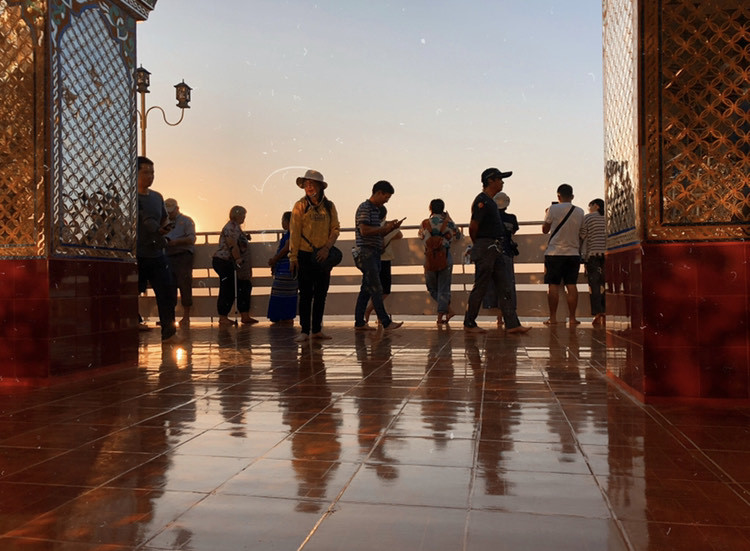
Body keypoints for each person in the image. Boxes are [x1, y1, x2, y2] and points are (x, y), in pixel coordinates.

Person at [464, 167, 530, 334]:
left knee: (504, 284)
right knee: (481, 285)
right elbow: (473, 227)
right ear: (490, 180)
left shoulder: (490, 201)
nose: (502, 182)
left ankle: (512, 323)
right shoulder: (483, 201)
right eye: (500, 179)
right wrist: (480, 244)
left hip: (496, 247)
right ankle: (469, 322)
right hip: (487, 247)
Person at [289, 169, 341, 343]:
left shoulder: (329, 206)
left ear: (320, 186)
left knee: (321, 293)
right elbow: (294, 232)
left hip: (323, 255)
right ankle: (305, 330)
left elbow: (335, 229)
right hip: (304, 254)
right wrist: (293, 257)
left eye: (312, 183)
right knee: (305, 294)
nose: (309, 187)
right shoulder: (300, 206)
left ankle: (317, 329)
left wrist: (327, 248)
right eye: (306, 184)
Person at [136, 156, 178, 343]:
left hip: (156, 254)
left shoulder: (157, 197)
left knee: (167, 292)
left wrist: (165, 229)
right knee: (132, 291)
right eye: (146, 172)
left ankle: (169, 334)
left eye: (152, 172)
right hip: (136, 254)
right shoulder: (128, 197)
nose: (150, 176)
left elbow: (164, 219)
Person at [353, 180, 404, 331]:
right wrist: (384, 229)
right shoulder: (365, 208)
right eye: (386, 197)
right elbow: (364, 231)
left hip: (374, 252)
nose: (386, 200)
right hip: (367, 252)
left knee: (366, 289)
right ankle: (386, 322)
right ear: (379, 193)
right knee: (376, 288)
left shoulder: (375, 210)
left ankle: (359, 322)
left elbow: (376, 233)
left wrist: (390, 228)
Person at [542, 183, 585, 326]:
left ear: (558, 196)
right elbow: (582, 232)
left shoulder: (553, 209)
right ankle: (572, 318)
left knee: (553, 285)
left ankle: (553, 318)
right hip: (573, 253)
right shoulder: (579, 211)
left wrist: (547, 213)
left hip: (554, 253)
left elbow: (544, 229)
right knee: (571, 285)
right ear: (572, 196)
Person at [418, 198, 462, 325]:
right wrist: (449, 219)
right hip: (445, 255)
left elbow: (420, 236)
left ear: (430, 208)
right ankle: (443, 314)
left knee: (431, 287)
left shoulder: (425, 223)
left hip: (430, 257)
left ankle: (445, 313)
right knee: (444, 287)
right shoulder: (448, 223)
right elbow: (458, 236)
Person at [212, 205, 255, 326]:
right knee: (227, 288)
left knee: (238, 285)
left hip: (226, 262)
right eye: (243, 215)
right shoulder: (231, 227)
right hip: (224, 261)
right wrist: (238, 259)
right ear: (237, 215)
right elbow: (232, 244)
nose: (244, 218)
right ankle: (223, 316)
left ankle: (240, 315)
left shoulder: (236, 228)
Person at [482, 191, 520, 326]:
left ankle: (497, 316)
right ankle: (504, 316)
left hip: (491, 253)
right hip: (506, 253)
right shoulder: (512, 218)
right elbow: (513, 231)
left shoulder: (489, 217)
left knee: (492, 283)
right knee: (507, 284)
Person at [365, 205, 403, 325]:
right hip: (385, 260)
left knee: (376, 289)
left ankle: (380, 317)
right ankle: (369, 310)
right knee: (385, 290)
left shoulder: (371, 227)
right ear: (385, 215)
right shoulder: (388, 227)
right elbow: (400, 235)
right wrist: (390, 229)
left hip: (372, 259)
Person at [164, 198, 196, 327]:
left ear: (177, 209)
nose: (169, 214)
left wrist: (176, 242)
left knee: (184, 284)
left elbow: (191, 238)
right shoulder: (164, 222)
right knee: (168, 286)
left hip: (183, 255)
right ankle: (169, 317)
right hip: (168, 255)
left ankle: (186, 316)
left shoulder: (187, 221)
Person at [267, 211, 297, 324]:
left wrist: (274, 259)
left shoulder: (291, 234)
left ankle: (281, 316)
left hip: (286, 268)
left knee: (281, 293)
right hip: (288, 268)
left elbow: (286, 248)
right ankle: (286, 316)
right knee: (288, 294)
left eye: (283, 220)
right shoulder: (292, 233)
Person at [580, 198, 606, 326]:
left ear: (595, 205)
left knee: (594, 285)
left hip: (592, 255)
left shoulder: (588, 218)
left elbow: (583, 234)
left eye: (589, 206)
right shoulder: (608, 217)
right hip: (607, 255)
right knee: (606, 285)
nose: (589, 209)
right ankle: (606, 312)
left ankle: (597, 314)